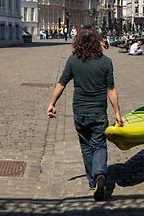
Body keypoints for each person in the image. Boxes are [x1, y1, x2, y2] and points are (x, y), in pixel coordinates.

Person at [46, 27, 122, 201]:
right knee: (100, 144)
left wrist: (52, 103)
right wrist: (117, 112)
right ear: (97, 43)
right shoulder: (106, 62)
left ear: (78, 43)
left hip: (80, 111)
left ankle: (92, 181)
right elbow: (110, 90)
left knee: (86, 146)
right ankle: (100, 175)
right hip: (98, 112)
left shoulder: (73, 61)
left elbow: (61, 83)